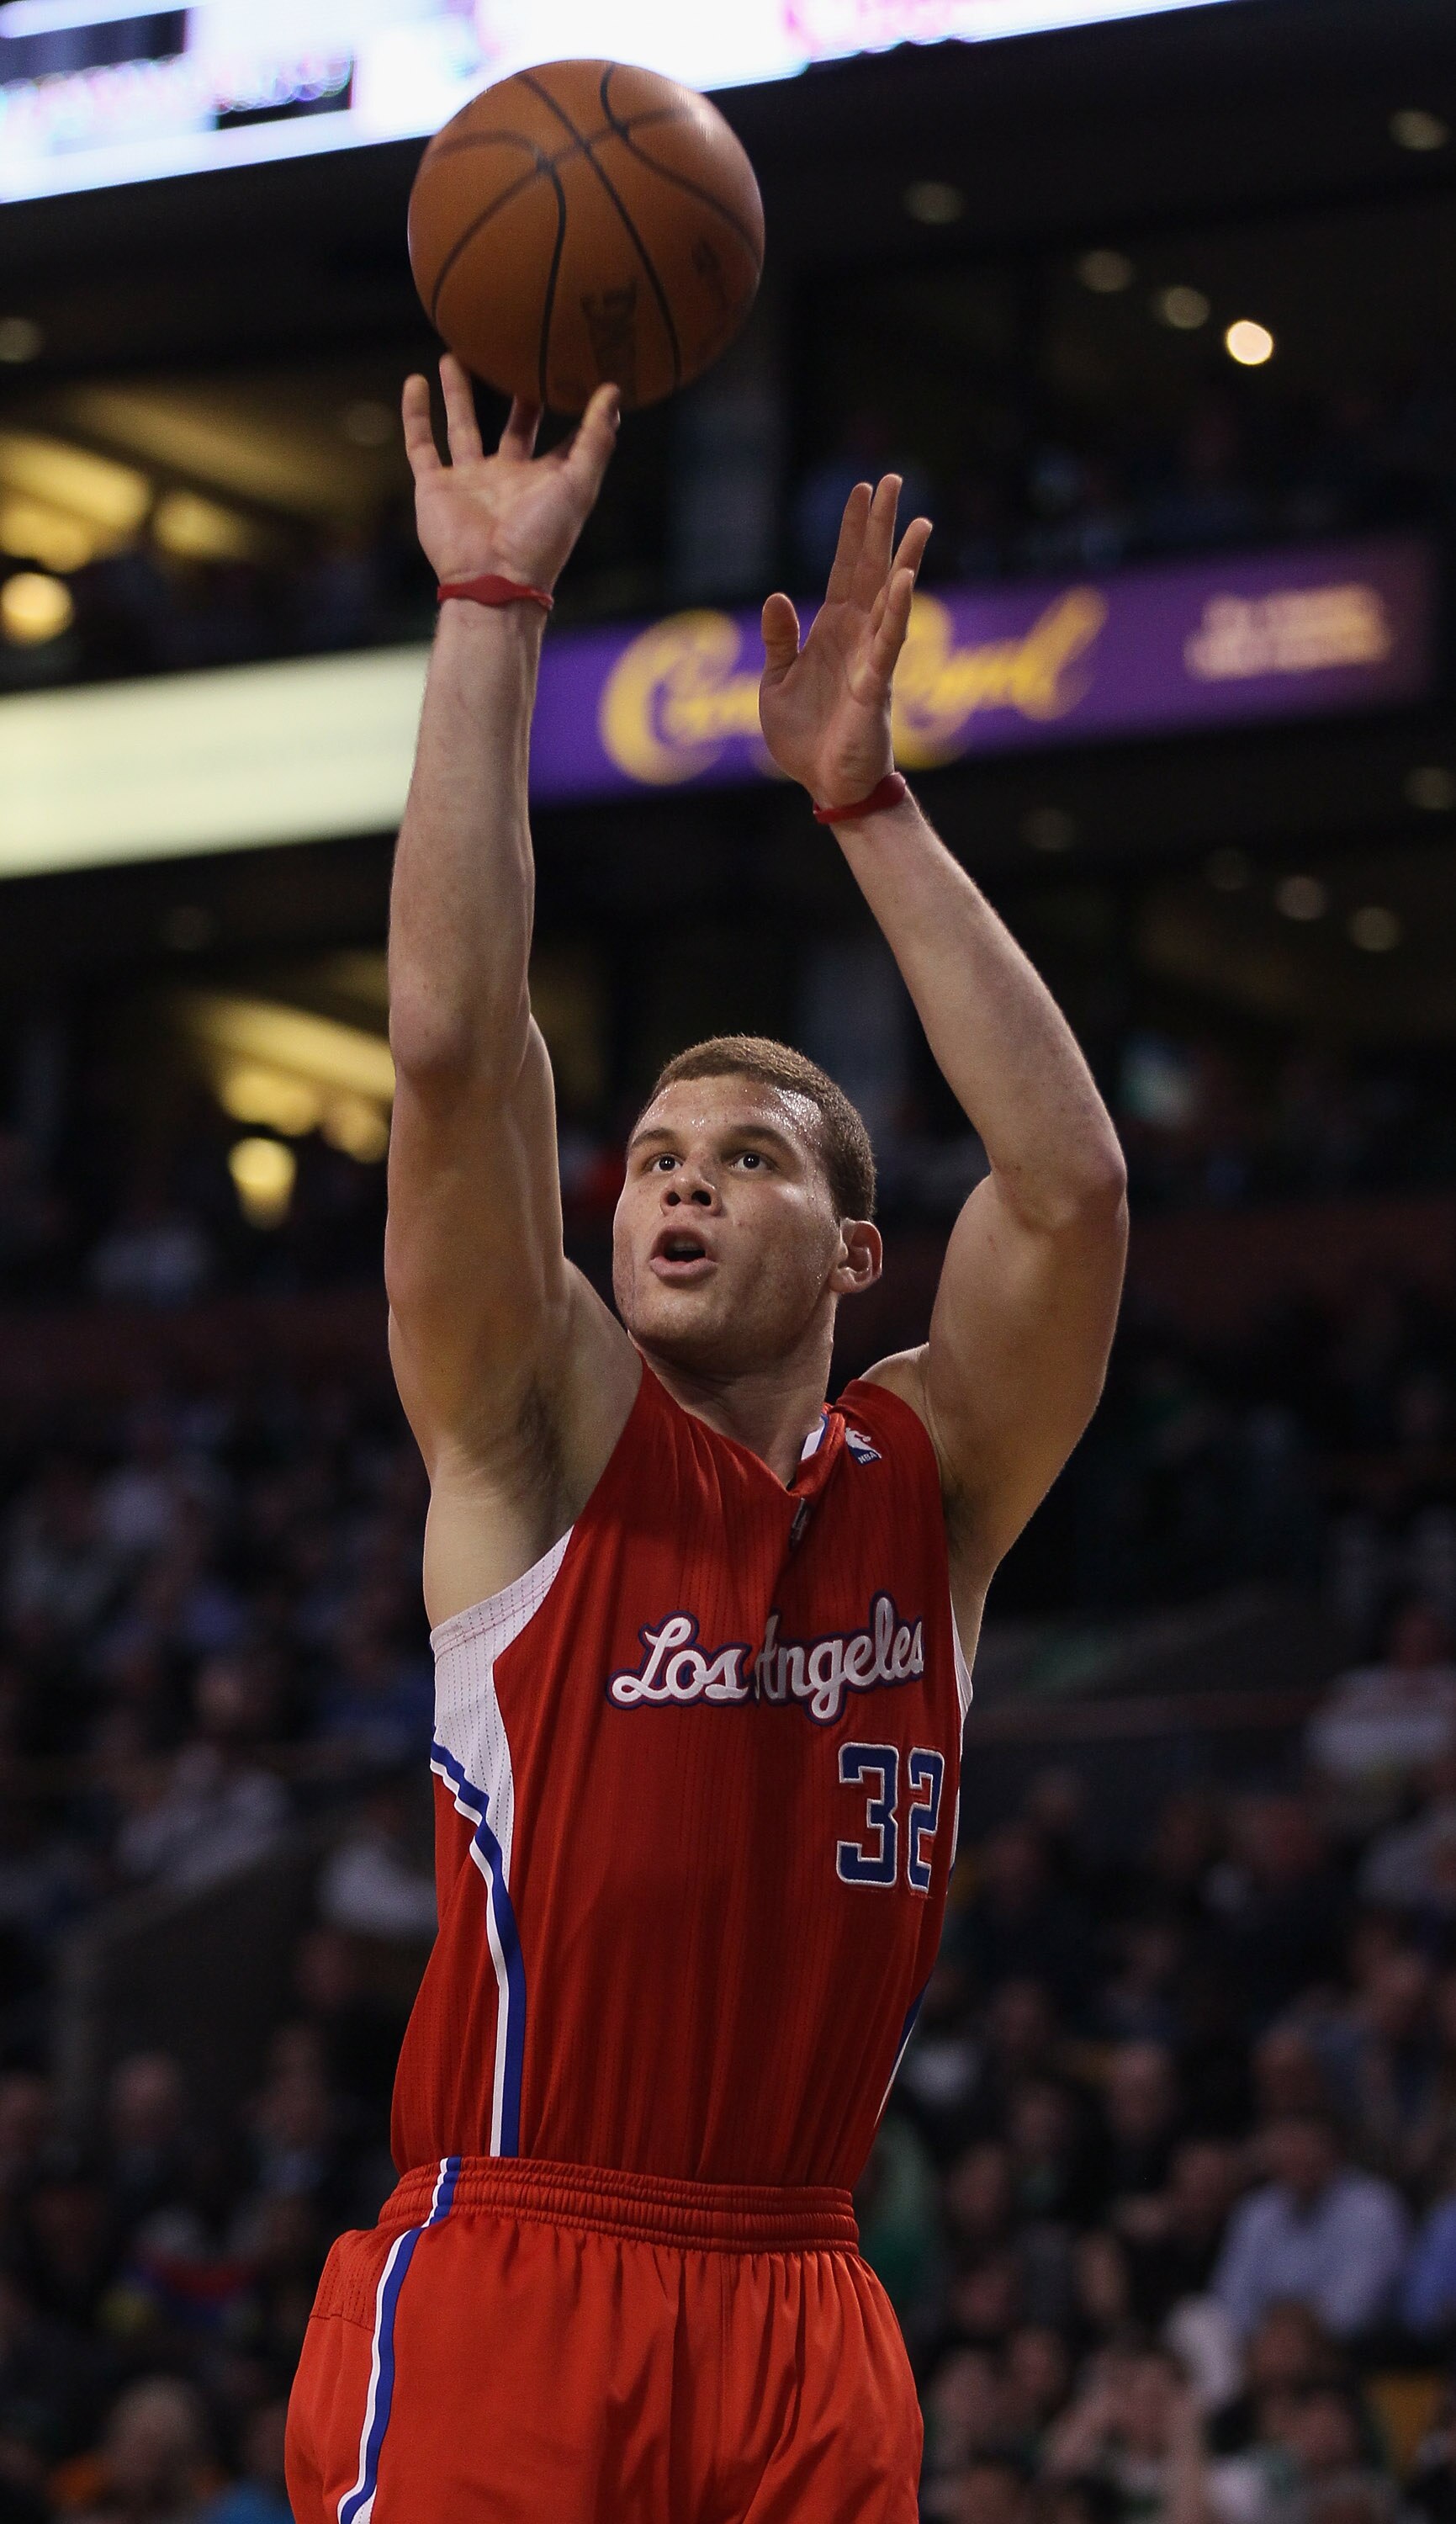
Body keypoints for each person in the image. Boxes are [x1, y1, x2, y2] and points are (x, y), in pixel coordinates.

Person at [284, 357, 1128, 2521]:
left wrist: (866, 806)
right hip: (514, 2274)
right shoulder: (541, 1436)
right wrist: (488, 609)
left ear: (854, 1250)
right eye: (650, 1151)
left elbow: (1068, 1196)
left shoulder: (926, 1489)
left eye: (738, 1157)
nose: (668, 1181)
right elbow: (459, 1051)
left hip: (804, 2310)